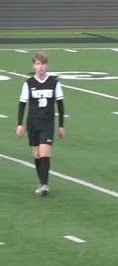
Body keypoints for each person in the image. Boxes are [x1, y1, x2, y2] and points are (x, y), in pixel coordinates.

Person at [15, 51, 66, 196]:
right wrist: (20, 123)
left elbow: (60, 105)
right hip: (33, 123)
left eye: (43, 64)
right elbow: (22, 104)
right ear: (34, 65)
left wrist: (61, 125)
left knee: (45, 152)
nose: (40, 67)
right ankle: (41, 181)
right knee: (37, 154)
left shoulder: (54, 83)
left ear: (47, 65)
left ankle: (44, 184)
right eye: (38, 64)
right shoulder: (29, 83)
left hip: (47, 123)